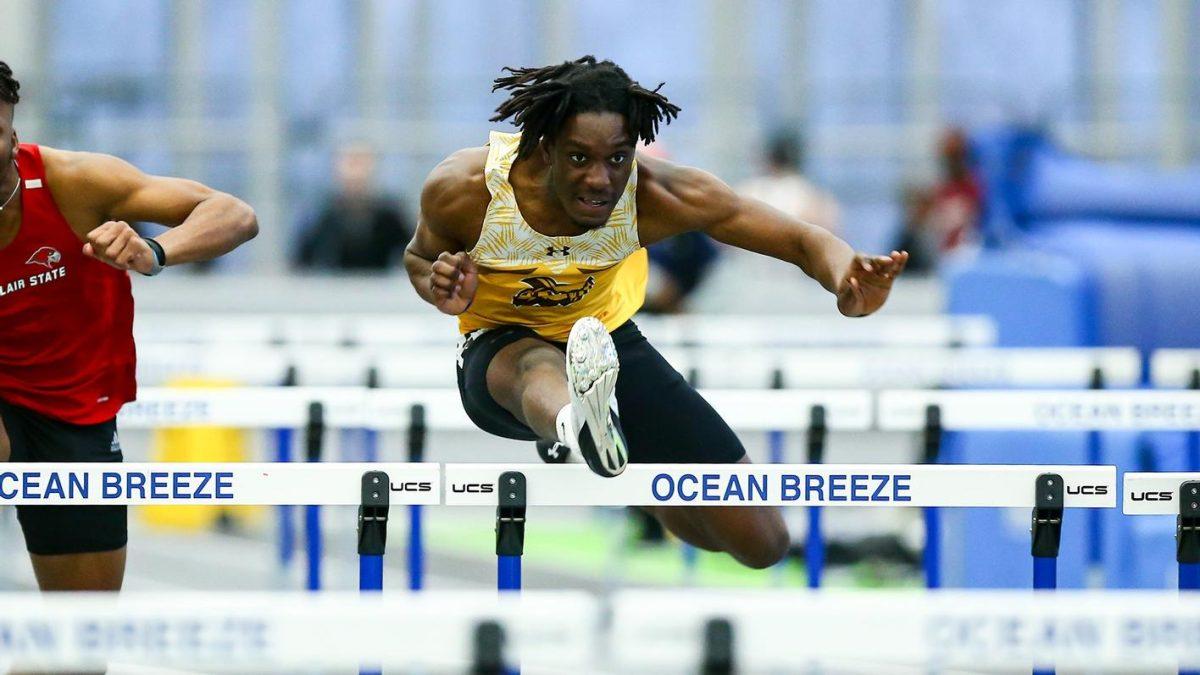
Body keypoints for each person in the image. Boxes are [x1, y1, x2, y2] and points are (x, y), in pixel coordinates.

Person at [404, 56, 907, 569]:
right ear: (545, 146)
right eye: (579, 159)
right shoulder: (469, 188)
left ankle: (606, 451)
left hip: (608, 345)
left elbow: (801, 239)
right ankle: (572, 425)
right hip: (499, 354)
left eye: (617, 159)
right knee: (539, 365)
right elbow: (420, 257)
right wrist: (441, 285)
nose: (601, 180)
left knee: (761, 544)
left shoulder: (655, 196)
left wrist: (845, 277)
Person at [0, 61, 258, 592]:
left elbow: (233, 214)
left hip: (73, 407)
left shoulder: (73, 182)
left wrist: (156, 251)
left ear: (12, 137)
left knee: (78, 644)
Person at [296, 144, 412, 271]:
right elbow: (301, 262)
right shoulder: (322, 215)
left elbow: (413, 252)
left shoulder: (389, 215)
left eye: (361, 162)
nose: (356, 170)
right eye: (350, 162)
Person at [897, 128, 983, 272]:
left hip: (964, 254)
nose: (950, 161)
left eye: (955, 156)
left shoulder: (975, 186)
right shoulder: (939, 187)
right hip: (935, 257)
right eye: (947, 156)